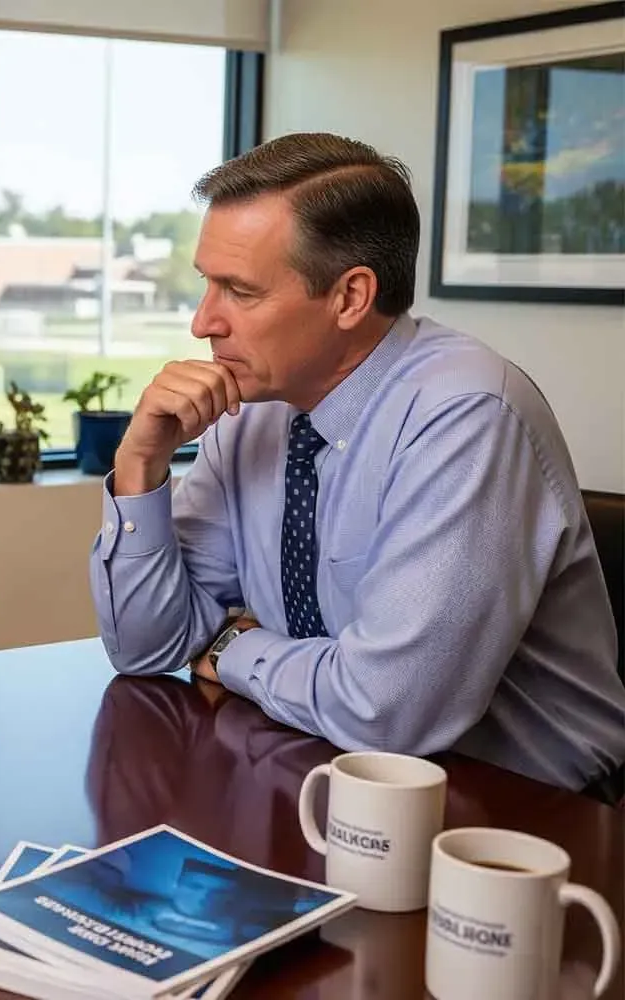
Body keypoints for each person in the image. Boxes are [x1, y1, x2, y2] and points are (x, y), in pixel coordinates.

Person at [89, 132, 625, 796]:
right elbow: (148, 646)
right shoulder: (252, 406)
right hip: (322, 766)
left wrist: (229, 649)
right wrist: (140, 464)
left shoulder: (467, 415)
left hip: (521, 809)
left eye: (239, 291)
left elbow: (386, 712)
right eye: (206, 285)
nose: (203, 322)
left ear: (350, 297)